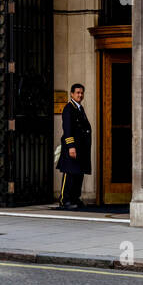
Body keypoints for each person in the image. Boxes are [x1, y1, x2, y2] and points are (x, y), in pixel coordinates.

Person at [56, 82, 91, 210]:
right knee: (69, 173)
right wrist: (71, 146)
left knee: (78, 174)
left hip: (80, 148)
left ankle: (75, 198)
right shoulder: (68, 108)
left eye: (81, 93)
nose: (80, 95)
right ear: (72, 94)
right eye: (77, 93)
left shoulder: (80, 108)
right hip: (72, 147)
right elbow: (67, 129)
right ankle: (64, 200)